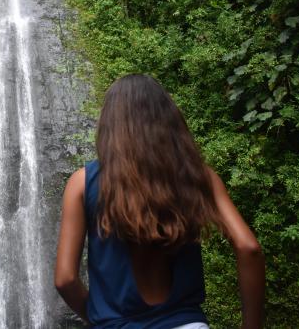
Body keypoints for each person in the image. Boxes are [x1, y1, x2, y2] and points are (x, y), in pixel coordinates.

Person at [55, 74, 265, 328]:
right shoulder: (198, 175)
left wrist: (101, 318)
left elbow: (65, 279)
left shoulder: (82, 183)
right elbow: (248, 247)